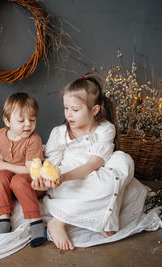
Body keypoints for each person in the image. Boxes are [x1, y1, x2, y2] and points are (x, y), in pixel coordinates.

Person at [32, 73, 145, 251]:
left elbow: (93, 165)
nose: (69, 114)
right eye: (66, 108)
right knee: (109, 187)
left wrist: (64, 177)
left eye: (75, 110)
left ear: (94, 110)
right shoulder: (59, 133)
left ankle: (97, 219)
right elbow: (51, 166)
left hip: (92, 172)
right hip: (70, 179)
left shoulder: (106, 129)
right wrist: (48, 179)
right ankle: (58, 222)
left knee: (123, 160)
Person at [0, 92, 46, 248]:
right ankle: (4, 218)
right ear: (7, 121)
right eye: (21, 121)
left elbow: (31, 171)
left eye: (32, 119)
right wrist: (2, 165)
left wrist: (3, 165)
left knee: (18, 180)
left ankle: (36, 221)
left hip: (32, 183)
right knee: (1, 177)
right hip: (11, 180)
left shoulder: (33, 139)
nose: (28, 124)